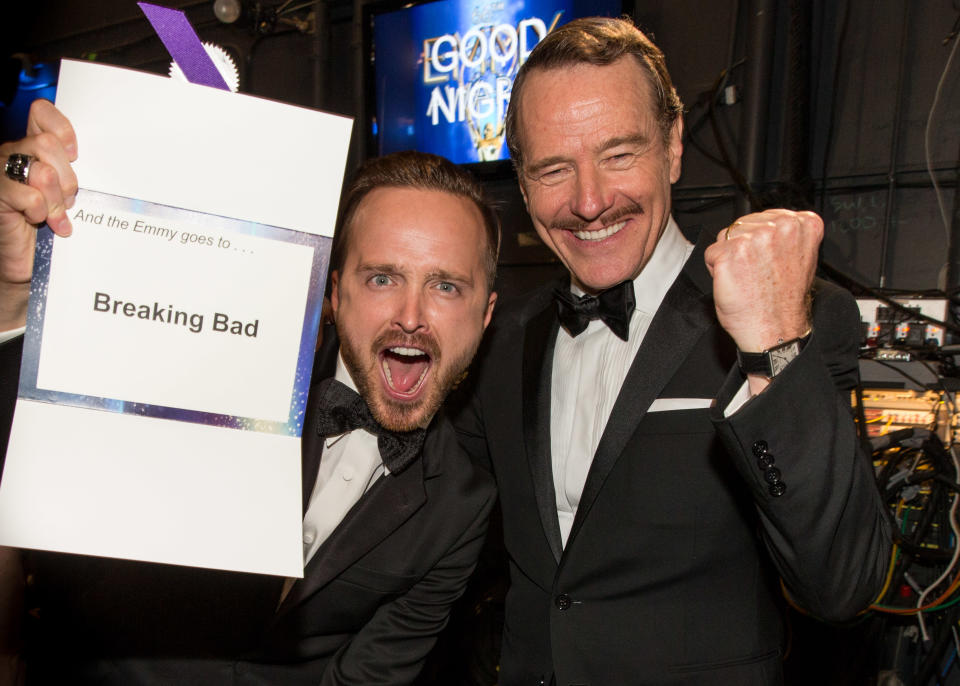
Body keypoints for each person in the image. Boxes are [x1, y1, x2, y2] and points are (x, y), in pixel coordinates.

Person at [453, 16, 892, 685]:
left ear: (674, 147)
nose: (590, 200)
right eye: (553, 168)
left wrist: (771, 344)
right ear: (520, 180)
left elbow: (842, 586)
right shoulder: (503, 338)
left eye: (619, 154)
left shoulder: (795, 316)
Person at [0, 100, 498, 685]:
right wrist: (14, 300)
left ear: (486, 316)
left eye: (445, 285)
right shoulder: (212, 370)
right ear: (334, 295)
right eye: (382, 277)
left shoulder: (462, 505)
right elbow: (34, 451)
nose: (411, 316)